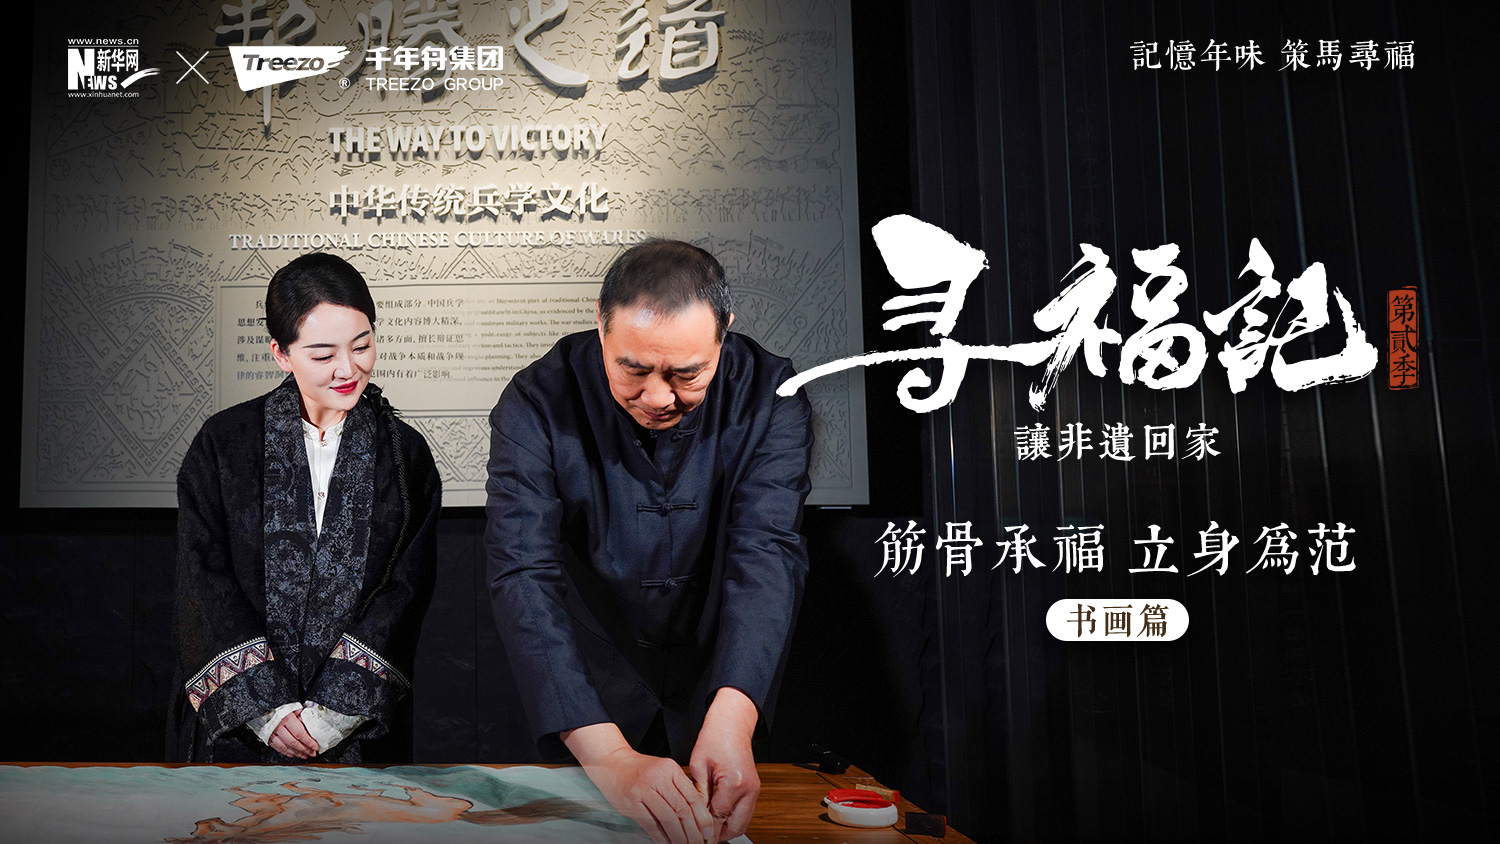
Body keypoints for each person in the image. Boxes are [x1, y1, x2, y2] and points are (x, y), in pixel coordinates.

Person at [486, 239, 813, 844]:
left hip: (719, 677)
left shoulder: (772, 394)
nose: (659, 398)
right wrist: (608, 755)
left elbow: (767, 551)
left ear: (725, 331)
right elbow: (522, 572)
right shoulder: (536, 399)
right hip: (584, 692)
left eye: (688, 374)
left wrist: (733, 719)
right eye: (633, 370)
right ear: (601, 323)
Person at [168, 253, 441, 763]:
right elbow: (202, 577)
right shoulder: (225, 443)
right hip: (242, 731)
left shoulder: (404, 454)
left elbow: (407, 588)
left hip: (353, 731)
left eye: (362, 346)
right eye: (322, 354)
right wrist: (266, 710)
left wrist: (333, 714)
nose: (348, 369)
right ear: (281, 353)